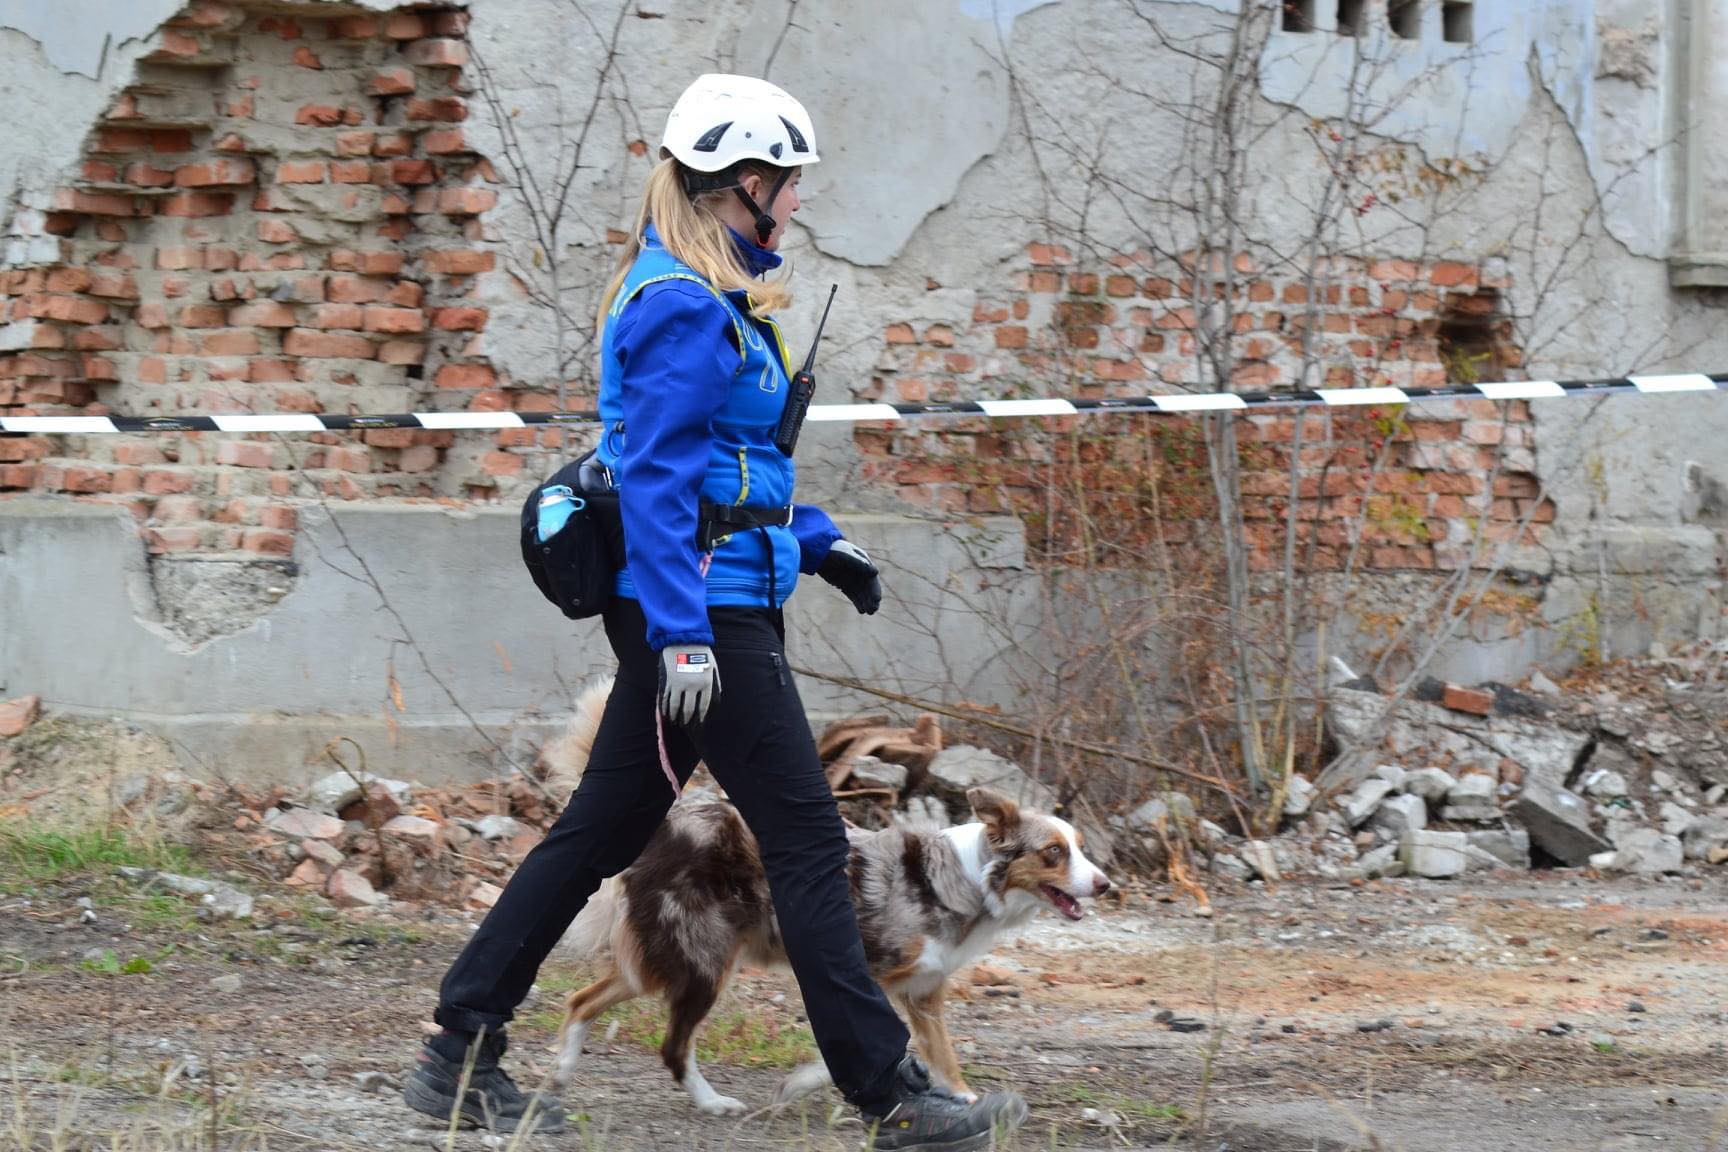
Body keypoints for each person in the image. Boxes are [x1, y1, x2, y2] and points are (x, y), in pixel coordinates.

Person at [402, 74, 1028, 1150]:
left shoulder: (709, 302)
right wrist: (686, 630)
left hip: (715, 606)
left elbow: (729, 476)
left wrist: (819, 542)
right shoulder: (684, 309)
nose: (796, 200)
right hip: (701, 625)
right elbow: (650, 482)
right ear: (745, 182)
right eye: (787, 181)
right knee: (806, 846)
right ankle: (891, 1095)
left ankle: (456, 1050)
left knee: (597, 834)